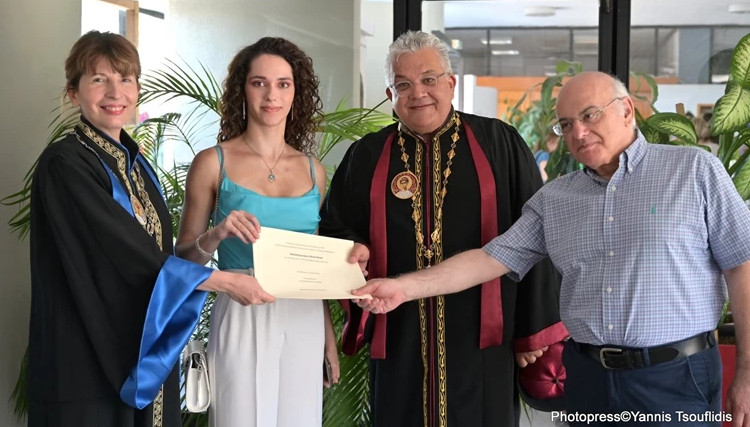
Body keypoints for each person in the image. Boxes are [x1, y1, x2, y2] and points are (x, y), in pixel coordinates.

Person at [354, 71, 750, 425]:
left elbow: (741, 265)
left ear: (627, 110)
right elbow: (490, 258)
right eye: (566, 124)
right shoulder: (557, 198)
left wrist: (747, 371)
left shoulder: (693, 171)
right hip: (589, 378)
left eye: (590, 115)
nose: (578, 132)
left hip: (676, 377)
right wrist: (402, 288)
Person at [319, 30, 566, 426]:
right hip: (399, 330)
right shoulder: (366, 155)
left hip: (485, 336)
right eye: (404, 84)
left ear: (450, 83)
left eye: (429, 79)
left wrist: (532, 331)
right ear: (390, 94)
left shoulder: (498, 142)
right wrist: (354, 248)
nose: (418, 93)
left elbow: (536, 233)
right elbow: (335, 227)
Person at [28, 31, 269, 427]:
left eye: (125, 79)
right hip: (84, 353)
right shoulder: (65, 164)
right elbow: (121, 251)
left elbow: (160, 257)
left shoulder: (138, 166)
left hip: (141, 345)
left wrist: (215, 235)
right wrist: (223, 282)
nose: (115, 92)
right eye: (98, 79)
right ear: (73, 93)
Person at [175, 37, 339, 427]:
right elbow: (182, 258)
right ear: (242, 90)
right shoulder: (213, 162)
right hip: (241, 309)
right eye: (259, 83)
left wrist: (328, 335)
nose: (271, 95)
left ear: (297, 92)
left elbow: (313, 266)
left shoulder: (314, 170)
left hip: (303, 315)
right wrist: (217, 234)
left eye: (283, 84)